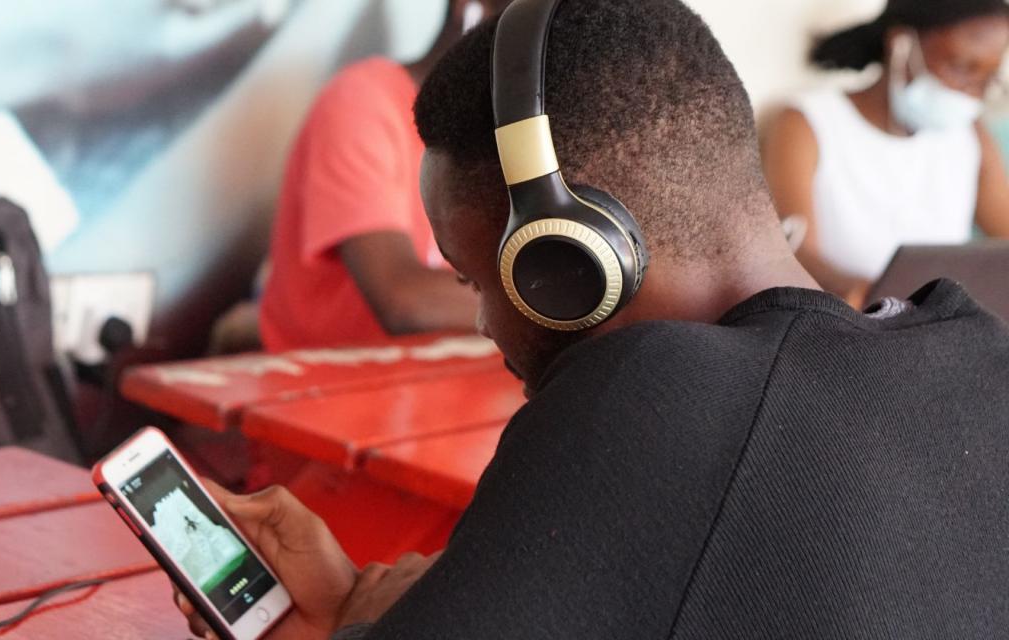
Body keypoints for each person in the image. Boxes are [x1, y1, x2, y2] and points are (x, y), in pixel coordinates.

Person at [175, 0, 1009, 638]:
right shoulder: (974, 351)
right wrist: (365, 603)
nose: (485, 325)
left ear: (568, 260)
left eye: (475, 280)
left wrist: (354, 622)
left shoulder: (646, 396)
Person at [257, 1, 514, 352]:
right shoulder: (363, 98)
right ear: (471, 8)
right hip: (327, 388)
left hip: (431, 383)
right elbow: (404, 300)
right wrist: (549, 303)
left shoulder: (504, 130)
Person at [765, 0, 1009, 308]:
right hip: (851, 323)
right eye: (961, 68)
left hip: (940, 328)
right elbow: (795, 251)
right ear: (901, 44)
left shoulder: (971, 135)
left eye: (987, 79)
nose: (971, 93)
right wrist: (865, 294)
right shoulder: (807, 123)